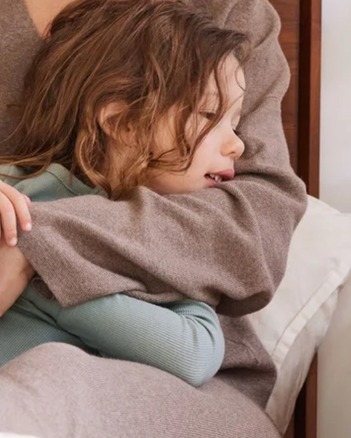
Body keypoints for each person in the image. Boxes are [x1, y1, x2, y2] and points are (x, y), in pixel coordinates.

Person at [0, 0, 304, 435]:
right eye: (208, 116)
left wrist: (47, 270)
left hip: (72, 398)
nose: (237, 145)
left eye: (235, 124)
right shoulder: (17, 190)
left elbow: (193, 352)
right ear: (121, 121)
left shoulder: (166, 249)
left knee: (55, 370)